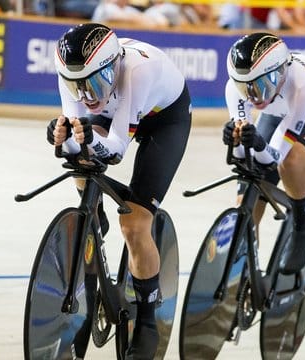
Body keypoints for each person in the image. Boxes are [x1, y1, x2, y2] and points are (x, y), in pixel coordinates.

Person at [47, 23, 191, 358]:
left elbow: (114, 150)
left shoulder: (136, 72)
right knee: (81, 155)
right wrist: (60, 135)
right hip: (117, 115)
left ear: (113, 66)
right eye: (76, 86)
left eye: (94, 83)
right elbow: (77, 135)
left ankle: (147, 320)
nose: (86, 95)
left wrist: (81, 137)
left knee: (136, 223)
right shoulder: (72, 73)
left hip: (164, 119)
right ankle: (94, 216)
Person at [223, 32, 305, 274]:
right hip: (279, 112)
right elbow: (243, 156)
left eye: (261, 85)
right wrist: (235, 140)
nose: (253, 96)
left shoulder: (303, 85)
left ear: (280, 72)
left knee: (292, 162)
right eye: (245, 87)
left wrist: (257, 145)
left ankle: (302, 224)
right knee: (249, 183)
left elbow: (276, 156)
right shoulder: (234, 87)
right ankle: (245, 275)